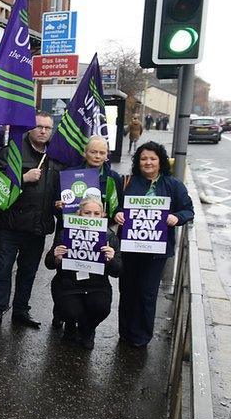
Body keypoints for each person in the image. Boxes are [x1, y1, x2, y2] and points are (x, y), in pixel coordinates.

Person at [113, 141, 194, 347]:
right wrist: (118, 214)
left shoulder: (173, 185)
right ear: (138, 162)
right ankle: (125, 333)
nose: (148, 162)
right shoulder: (128, 183)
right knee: (128, 291)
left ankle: (141, 337)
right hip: (130, 249)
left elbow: (188, 210)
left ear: (160, 161)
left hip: (156, 252)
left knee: (147, 293)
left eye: (152, 158)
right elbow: (115, 207)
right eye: (143, 159)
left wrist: (177, 217)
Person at [0, 111, 58, 330]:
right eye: (39, 126)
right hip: (10, 225)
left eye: (47, 128)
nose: (43, 131)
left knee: (28, 271)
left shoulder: (55, 157)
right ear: (29, 128)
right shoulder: (12, 152)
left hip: (37, 226)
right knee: (3, 270)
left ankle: (21, 310)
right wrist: (23, 179)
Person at [45, 197, 122, 349]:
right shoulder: (65, 233)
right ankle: (70, 325)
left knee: (101, 307)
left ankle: (88, 330)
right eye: (87, 213)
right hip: (68, 284)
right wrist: (56, 257)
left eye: (96, 213)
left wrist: (111, 259)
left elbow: (118, 272)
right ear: (79, 214)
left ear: (103, 215)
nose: (91, 217)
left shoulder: (110, 237)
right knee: (70, 311)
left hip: (97, 286)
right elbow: (48, 264)